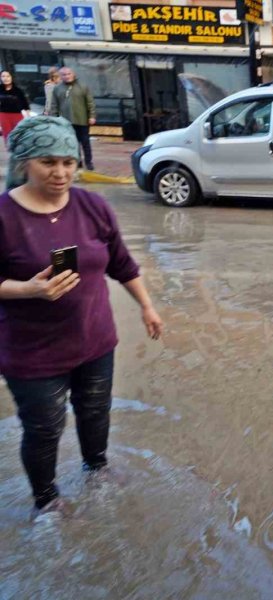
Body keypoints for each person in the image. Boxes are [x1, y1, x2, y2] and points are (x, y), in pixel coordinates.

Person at [0, 116, 164, 517]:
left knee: (95, 412)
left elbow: (121, 263)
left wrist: (146, 305)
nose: (61, 173)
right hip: (32, 353)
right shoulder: (5, 216)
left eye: (68, 162)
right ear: (24, 162)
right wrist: (28, 289)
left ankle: (97, 467)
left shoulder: (92, 205)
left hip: (94, 341)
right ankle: (47, 501)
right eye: (48, 162)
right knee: (44, 428)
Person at [49, 67, 96, 170]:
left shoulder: (82, 86)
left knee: (85, 142)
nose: (67, 76)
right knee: (72, 143)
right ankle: (77, 162)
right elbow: (54, 105)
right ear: (61, 76)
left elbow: (90, 102)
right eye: (64, 75)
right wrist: (54, 119)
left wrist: (92, 116)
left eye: (69, 74)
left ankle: (89, 162)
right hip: (66, 122)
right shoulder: (57, 89)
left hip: (82, 120)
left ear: (73, 74)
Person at [0, 70, 30, 148]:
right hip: (4, 115)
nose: (5, 78)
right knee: (7, 135)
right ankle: (11, 152)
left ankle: (20, 150)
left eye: (7, 76)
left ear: (11, 77)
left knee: (19, 134)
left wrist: (29, 117)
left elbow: (25, 104)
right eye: (3, 76)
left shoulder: (18, 90)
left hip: (17, 115)